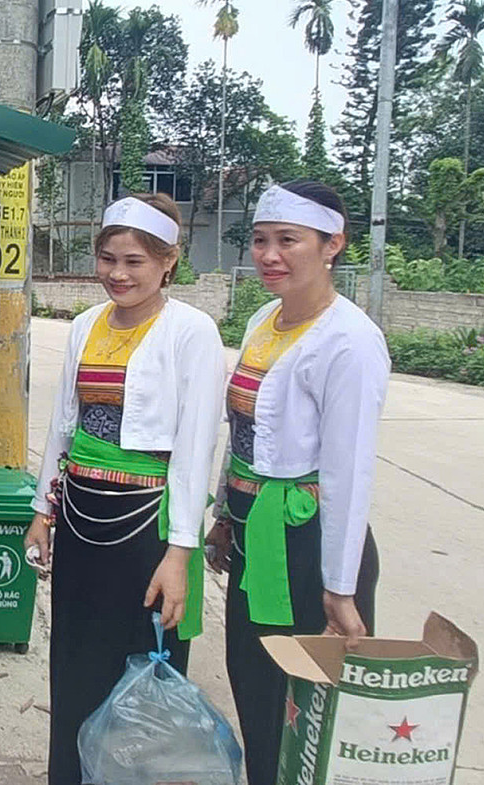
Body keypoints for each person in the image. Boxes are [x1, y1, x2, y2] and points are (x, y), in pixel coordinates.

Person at [24, 193, 227, 785]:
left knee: (140, 668)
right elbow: (66, 424)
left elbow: (195, 448)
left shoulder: (192, 331)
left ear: (168, 262)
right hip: (84, 519)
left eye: (135, 261)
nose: (118, 273)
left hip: (148, 529)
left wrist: (180, 553)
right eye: (108, 258)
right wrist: (44, 508)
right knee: (76, 661)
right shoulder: (86, 324)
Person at [206, 180, 387, 785]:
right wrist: (225, 514)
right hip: (257, 539)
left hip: (309, 548)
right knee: (255, 687)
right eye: (260, 241)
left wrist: (339, 589)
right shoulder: (264, 319)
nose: (269, 255)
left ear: (333, 244)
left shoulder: (350, 340)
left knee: (304, 710)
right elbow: (242, 433)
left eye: (289, 241)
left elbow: (348, 471)